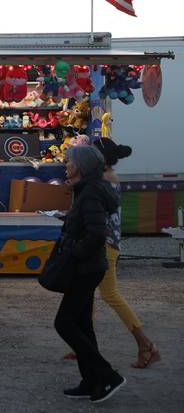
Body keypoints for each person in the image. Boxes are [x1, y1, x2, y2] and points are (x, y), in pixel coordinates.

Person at [54, 145, 126, 403]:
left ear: (81, 166)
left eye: (70, 162)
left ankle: (107, 375)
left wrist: (75, 251)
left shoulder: (91, 192)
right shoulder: (88, 190)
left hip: (86, 267)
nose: (66, 165)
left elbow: (97, 233)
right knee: (83, 324)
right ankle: (90, 380)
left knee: (64, 322)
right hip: (88, 266)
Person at [86, 137, 159, 368]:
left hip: (104, 244)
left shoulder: (103, 178)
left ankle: (146, 345)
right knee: (86, 293)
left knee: (109, 294)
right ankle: (84, 345)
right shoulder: (105, 177)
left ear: (100, 158)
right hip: (103, 242)